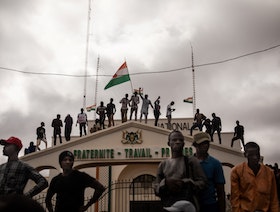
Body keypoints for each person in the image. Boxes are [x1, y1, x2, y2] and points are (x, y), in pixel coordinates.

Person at [154, 130, 207, 211]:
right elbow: (156, 188)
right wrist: (165, 183)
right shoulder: (163, 164)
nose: (178, 142)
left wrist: (186, 182)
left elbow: (203, 183)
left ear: (184, 144)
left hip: (187, 206)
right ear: (169, 143)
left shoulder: (191, 161)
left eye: (181, 140)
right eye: (174, 140)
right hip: (169, 205)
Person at [230, 142, 279, 212]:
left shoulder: (269, 173)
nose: (255, 158)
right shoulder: (237, 171)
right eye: (251, 155)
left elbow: (274, 199)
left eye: (257, 154)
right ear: (245, 155)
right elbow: (235, 199)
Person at [193, 132, 226, 212]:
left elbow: (220, 191)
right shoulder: (188, 162)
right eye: (202, 143)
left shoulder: (215, 163)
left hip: (210, 206)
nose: (205, 145)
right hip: (192, 205)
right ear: (195, 145)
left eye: (207, 143)